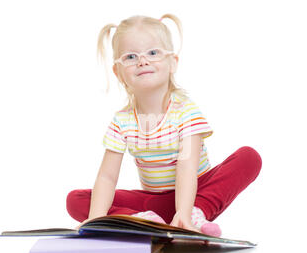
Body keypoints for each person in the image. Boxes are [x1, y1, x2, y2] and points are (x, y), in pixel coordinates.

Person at [66, 14, 262, 237]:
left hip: (197, 190)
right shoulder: (122, 121)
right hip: (155, 203)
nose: (143, 61)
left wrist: (185, 211)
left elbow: (186, 167)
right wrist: (96, 218)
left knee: (249, 157)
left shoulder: (185, 112)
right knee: (76, 200)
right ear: (118, 72)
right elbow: (107, 177)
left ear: (172, 63)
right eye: (131, 56)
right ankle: (141, 220)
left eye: (152, 53)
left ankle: (196, 215)